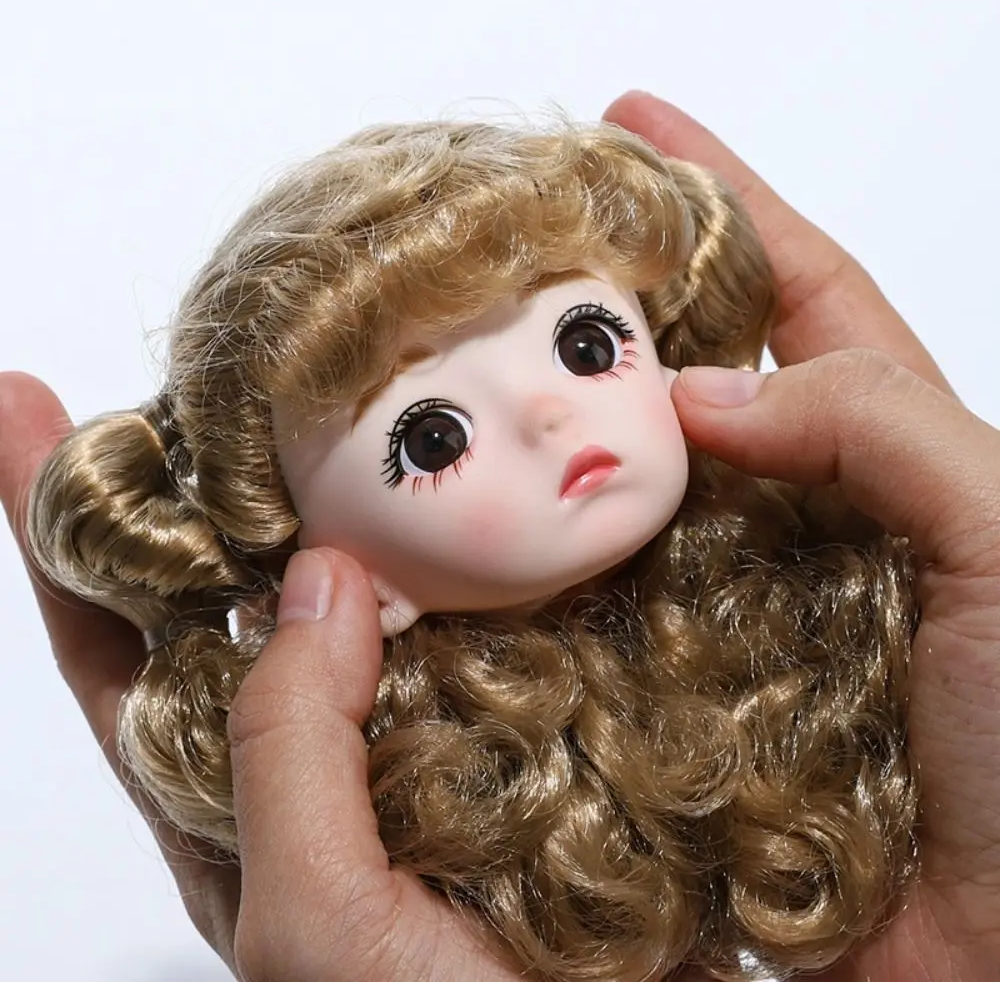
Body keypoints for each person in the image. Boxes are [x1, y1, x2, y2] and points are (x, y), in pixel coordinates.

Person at [1, 91, 997, 981]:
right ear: (354, 580)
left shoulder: (841, 603)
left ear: (663, 350)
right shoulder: (433, 805)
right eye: (432, 438)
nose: (545, 416)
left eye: (585, 345)